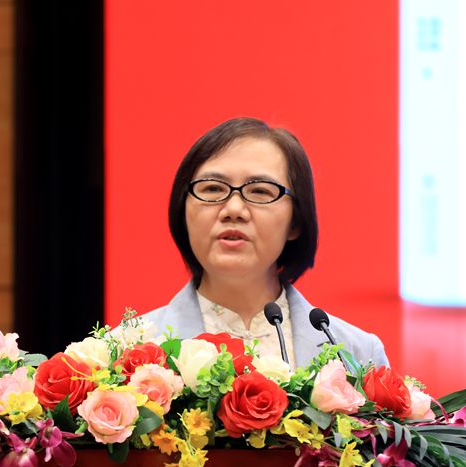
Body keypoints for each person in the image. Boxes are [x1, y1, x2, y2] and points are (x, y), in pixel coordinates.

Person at [144, 117, 389, 370]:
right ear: (183, 210)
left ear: (295, 222)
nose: (234, 209)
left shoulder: (358, 354)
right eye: (213, 189)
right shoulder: (132, 351)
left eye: (260, 191)